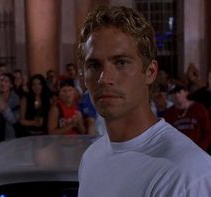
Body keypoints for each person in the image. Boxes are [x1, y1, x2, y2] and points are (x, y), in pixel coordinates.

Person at [76, 5, 211, 197]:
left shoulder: (188, 173)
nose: (104, 78)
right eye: (94, 65)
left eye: (121, 62)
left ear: (150, 72)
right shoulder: (91, 158)